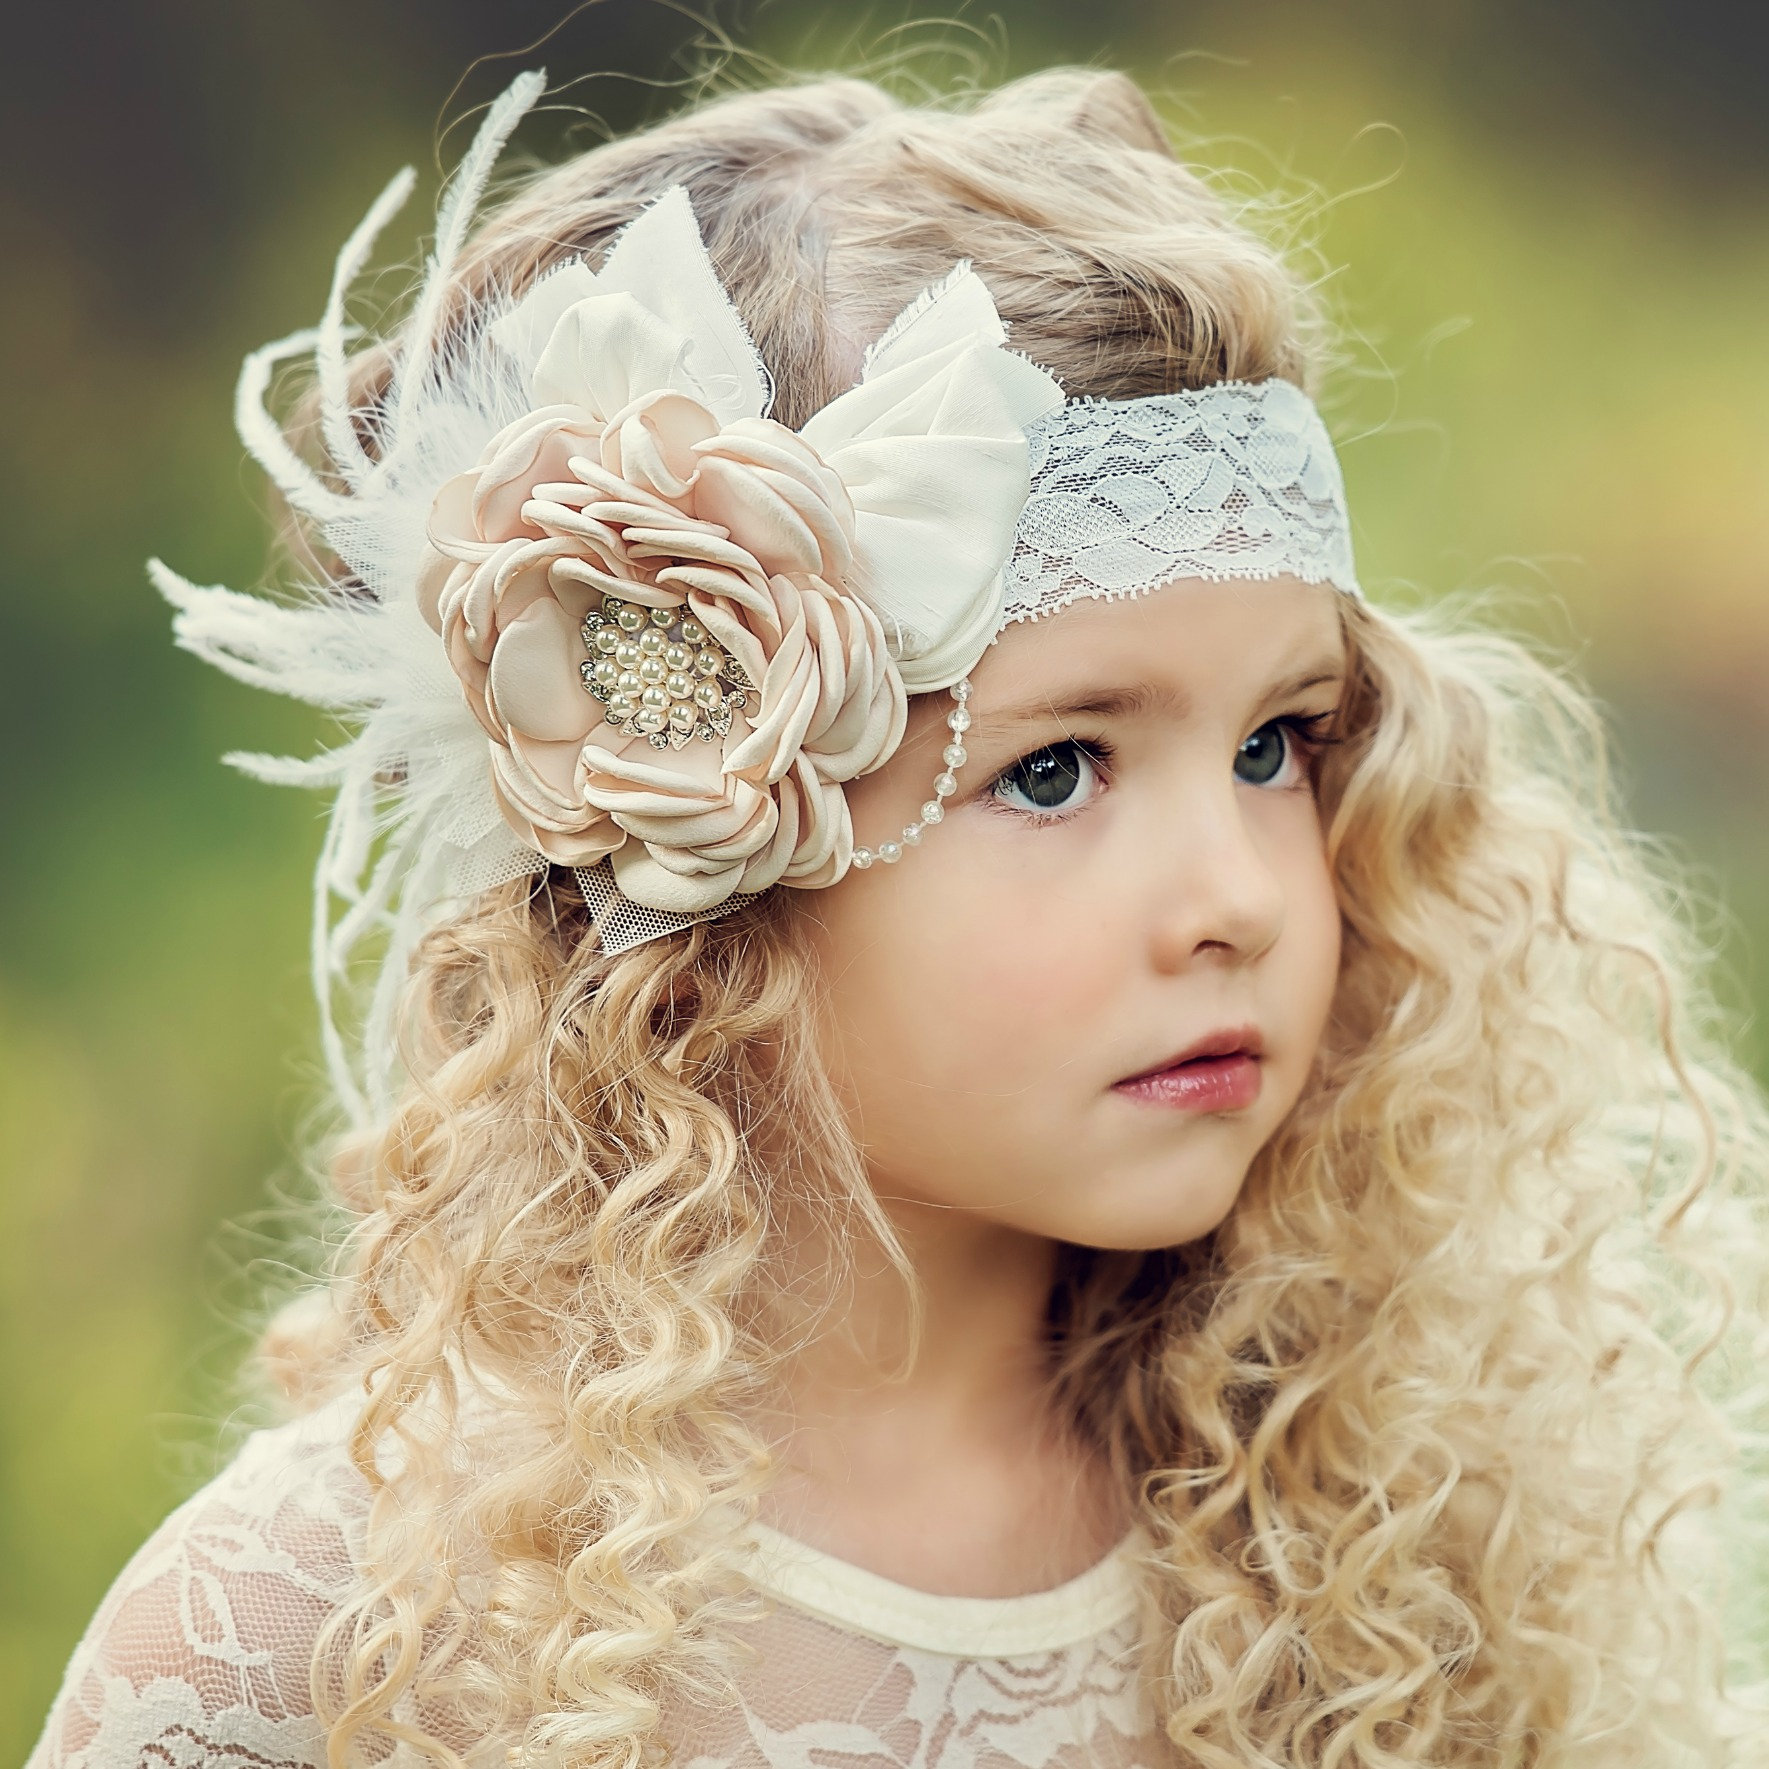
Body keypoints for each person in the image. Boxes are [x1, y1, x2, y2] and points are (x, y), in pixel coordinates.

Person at [27, 60, 1769, 1769]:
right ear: (694, 846)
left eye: (1271, 744)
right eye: (1056, 770)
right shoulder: (341, 1624)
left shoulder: (1377, 1542)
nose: (1239, 895)